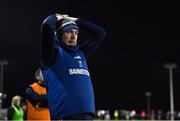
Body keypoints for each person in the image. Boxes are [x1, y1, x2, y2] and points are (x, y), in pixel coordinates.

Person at [40, 13, 106, 120]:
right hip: (65, 115)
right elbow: (47, 25)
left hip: (87, 114)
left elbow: (100, 34)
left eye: (76, 33)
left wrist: (76, 20)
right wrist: (56, 16)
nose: (73, 36)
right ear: (59, 34)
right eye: (69, 32)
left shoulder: (81, 53)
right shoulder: (52, 53)